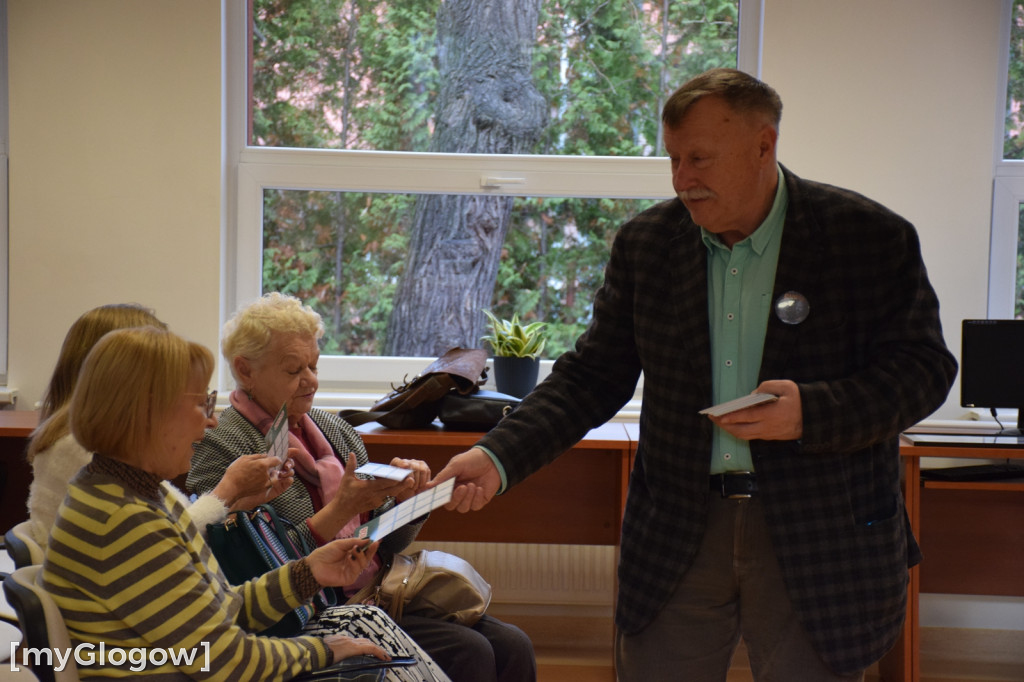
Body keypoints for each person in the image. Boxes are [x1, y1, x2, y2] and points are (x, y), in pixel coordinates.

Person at [432, 68, 958, 682]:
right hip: (680, 530)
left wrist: (811, 412)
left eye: (700, 159)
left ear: (765, 145)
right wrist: (496, 456)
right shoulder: (649, 244)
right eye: (675, 160)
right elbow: (592, 376)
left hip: (822, 535)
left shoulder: (868, 237)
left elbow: (924, 369)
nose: (684, 180)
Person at [42, 325, 448, 680]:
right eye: (201, 403)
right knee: (390, 662)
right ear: (149, 414)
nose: (211, 419)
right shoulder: (123, 520)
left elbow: (224, 608)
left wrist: (308, 572)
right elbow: (225, 659)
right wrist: (322, 651)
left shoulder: (137, 491)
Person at [188, 292, 537, 682]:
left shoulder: (334, 429)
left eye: (314, 366)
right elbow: (232, 563)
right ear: (245, 370)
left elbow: (382, 544)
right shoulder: (223, 443)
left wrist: (410, 503)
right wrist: (340, 509)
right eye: (293, 370)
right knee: (468, 651)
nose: (311, 381)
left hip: (379, 589)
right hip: (311, 608)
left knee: (513, 644)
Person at [25, 303, 291, 548]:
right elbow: (167, 536)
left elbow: (166, 522)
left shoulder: (87, 441)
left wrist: (238, 499)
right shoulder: (87, 447)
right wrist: (228, 489)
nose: (211, 421)